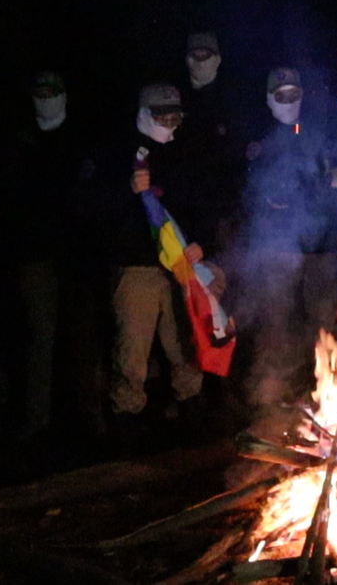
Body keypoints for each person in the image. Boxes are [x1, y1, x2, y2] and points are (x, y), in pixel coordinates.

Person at [239, 67, 337, 408]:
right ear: (269, 99)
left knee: (321, 321)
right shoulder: (259, 141)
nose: (289, 100)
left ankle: (317, 389)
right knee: (277, 319)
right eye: (282, 95)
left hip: (321, 248)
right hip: (277, 247)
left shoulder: (317, 134)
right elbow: (264, 192)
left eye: (294, 94)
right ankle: (271, 393)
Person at [98, 83, 208, 429]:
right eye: (163, 115)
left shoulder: (182, 152)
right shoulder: (117, 152)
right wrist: (125, 189)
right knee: (133, 350)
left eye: (175, 116)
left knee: (183, 344)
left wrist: (200, 243)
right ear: (145, 114)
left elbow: (197, 205)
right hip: (136, 267)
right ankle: (127, 418)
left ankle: (191, 411)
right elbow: (91, 206)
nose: (170, 122)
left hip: (178, 268)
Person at [0, 71, 93, 440]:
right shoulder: (19, 141)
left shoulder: (81, 139)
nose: (46, 97)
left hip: (78, 256)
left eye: (53, 91)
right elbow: (9, 200)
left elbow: (89, 195)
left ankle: (86, 419)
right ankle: (36, 422)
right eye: (40, 91)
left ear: (64, 95)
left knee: (81, 338)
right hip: (34, 256)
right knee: (39, 339)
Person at [177, 31, 248, 255]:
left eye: (205, 54)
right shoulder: (176, 97)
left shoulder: (232, 99)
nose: (200, 60)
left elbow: (239, 157)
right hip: (183, 209)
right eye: (195, 55)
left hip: (223, 213)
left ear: (217, 58)